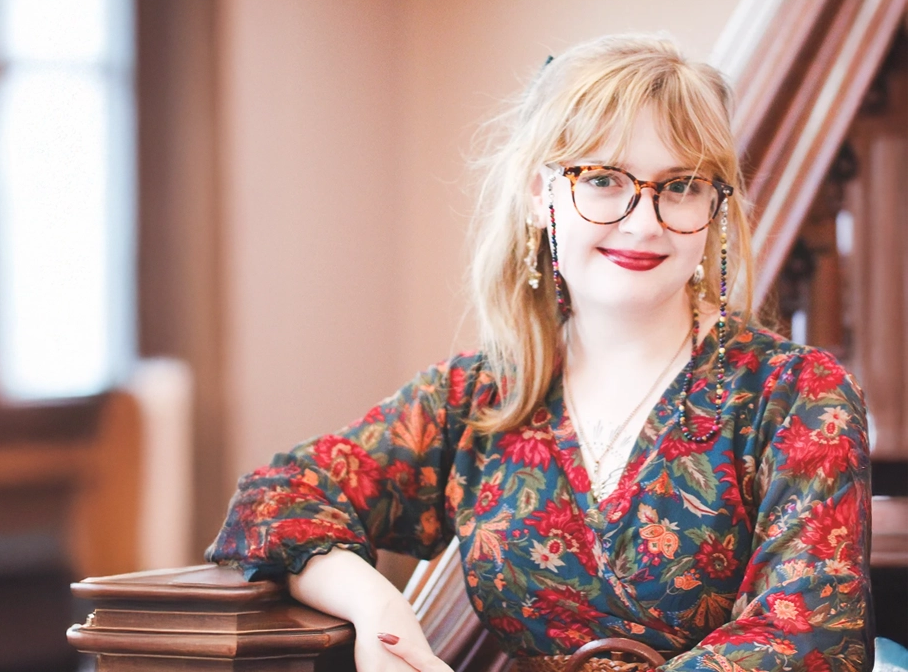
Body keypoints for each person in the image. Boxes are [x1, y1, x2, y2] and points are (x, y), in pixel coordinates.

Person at [204, 34, 874, 672]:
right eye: (605, 179)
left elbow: (814, 637)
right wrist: (380, 608)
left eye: (681, 185)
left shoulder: (798, 395)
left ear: (713, 207)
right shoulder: (481, 397)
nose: (644, 221)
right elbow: (276, 498)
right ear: (539, 193)